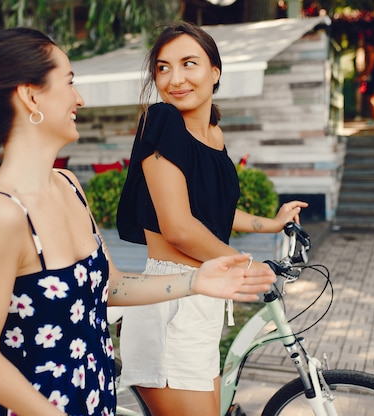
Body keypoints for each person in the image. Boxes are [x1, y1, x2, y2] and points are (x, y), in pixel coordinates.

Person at [0, 27, 275, 416]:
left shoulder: (69, 185)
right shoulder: (1, 215)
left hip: (98, 402)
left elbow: (112, 284)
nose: (80, 98)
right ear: (31, 95)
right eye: (69, 82)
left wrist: (197, 280)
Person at [115, 21, 308, 415]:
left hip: (202, 303)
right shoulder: (161, 122)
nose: (175, 78)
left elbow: (214, 211)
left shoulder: (214, 135)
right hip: (171, 305)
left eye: (189, 64)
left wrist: (271, 223)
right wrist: (248, 265)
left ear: (214, 72)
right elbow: (180, 228)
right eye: (163, 68)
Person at [356, 30, 374, 126]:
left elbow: (371, 67)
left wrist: (364, 76)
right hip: (373, 77)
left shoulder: (373, 53)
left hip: (373, 78)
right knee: (371, 97)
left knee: (372, 98)